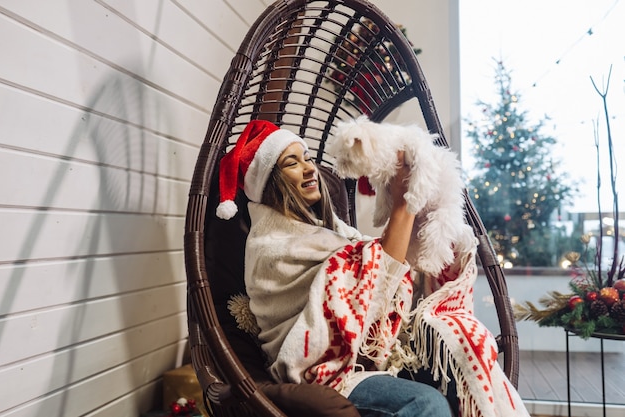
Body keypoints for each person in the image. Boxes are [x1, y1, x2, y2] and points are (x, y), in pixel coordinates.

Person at [216, 120, 529, 417]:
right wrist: (405, 200)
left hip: (362, 358)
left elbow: (372, 264)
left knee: (458, 368)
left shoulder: (323, 232)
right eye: (292, 162)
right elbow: (370, 275)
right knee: (425, 404)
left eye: (307, 157)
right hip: (321, 371)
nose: (309, 168)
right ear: (270, 179)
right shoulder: (272, 246)